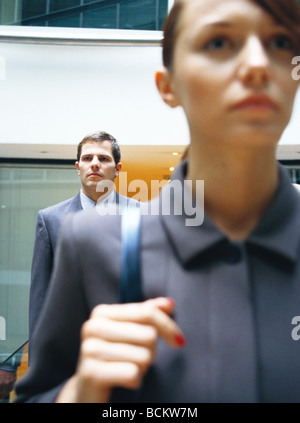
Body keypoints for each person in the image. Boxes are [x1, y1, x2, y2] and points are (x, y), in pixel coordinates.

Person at [15, 0, 300, 403]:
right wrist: (79, 393)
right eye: (219, 42)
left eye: (281, 41)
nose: (257, 63)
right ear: (168, 85)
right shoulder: (91, 241)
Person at [28, 130, 138, 351]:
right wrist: (39, 358)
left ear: (118, 169)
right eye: (87, 158)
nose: (95, 164)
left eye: (103, 158)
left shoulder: (142, 215)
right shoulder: (50, 219)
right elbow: (41, 295)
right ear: (78, 168)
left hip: (126, 343)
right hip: (68, 348)